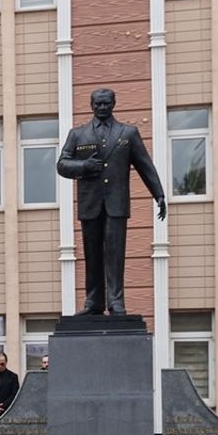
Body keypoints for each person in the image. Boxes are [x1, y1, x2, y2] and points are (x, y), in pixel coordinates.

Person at [56, 87, 167, 316]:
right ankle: (93, 301)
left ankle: (116, 301)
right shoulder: (78, 134)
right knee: (92, 253)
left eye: (106, 103)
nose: (102, 107)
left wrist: (159, 194)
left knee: (116, 255)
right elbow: (62, 164)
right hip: (90, 204)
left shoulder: (128, 133)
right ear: (91, 105)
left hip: (116, 204)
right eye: (98, 104)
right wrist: (83, 166)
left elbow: (145, 165)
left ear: (114, 104)